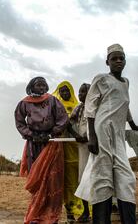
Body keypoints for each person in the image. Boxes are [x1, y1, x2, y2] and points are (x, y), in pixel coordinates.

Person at [75, 44, 138, 224]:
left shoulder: (126, 82)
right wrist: (92, 136)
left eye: (121, 58)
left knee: (127, 177)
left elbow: (124, 104)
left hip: (118, 133)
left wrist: (133, 124)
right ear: (107, 61)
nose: (118, 61)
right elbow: (90, 107)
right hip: (102, 129)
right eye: (114, 58)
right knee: (102, 175)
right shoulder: (101, 79)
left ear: (125, 61)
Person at [15, 76, 68, 224]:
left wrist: (51, 134)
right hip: (34, 144)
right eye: (38, 85)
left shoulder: (53, 101)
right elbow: (19, 122)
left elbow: (63, 119)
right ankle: (37, 214)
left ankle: (51, 216)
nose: (42, 87)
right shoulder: (24, 103)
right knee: (37, 179)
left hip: (51, 143)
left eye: (44, 85)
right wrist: (32, 135)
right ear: (31, 87)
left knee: (52, 180)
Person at [52, 81, 83, 222]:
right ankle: (69, 212)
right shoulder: (56, 107)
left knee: (77, 177)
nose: (65, 94)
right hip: (60, 148)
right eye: (62, 91)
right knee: (64, 181)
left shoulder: (78, 107)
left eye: (67, 91)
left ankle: (82, 211)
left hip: (76, 148)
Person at [68, 83, 91, 223]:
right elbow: (68, 124)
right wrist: (77, 135)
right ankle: (86, 212)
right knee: (83, 179)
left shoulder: (96, 107)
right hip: (83, 147)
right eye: (80, 92)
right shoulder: (78, 108)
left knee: (97, 179)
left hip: (97, 148)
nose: (80, 94)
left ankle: (100, 212)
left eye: (84, 92)